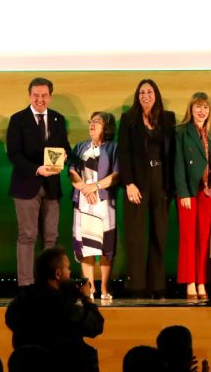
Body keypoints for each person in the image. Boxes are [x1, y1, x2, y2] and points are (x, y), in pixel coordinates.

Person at [7, 77, 70, 287]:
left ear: (50, 97)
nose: (39, 99)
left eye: (44, 95)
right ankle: (26, 285)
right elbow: (14, 154)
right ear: (29, 96)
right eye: (35, 95)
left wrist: (65, 156)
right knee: (27, 236)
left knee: (51, 238)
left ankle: (49, 284)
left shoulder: (58, 119)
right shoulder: (17, 119)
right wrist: (36, 169)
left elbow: (65, 147)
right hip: (26, 186)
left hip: (52, 186)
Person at [117, 78, 177, 296]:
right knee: (136, 235)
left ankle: (157, 284)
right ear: (137, 96)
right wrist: (128, 183)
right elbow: (123, 153)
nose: (145, 96)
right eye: (142, 92)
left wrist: (172, 186)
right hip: (137, 183)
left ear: (156, 95)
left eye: (149, 92)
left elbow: (173, 152)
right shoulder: (128, 119)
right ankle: (136, 285)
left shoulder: (168, 118)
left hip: (161, 180)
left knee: (159, 233)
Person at [4, 246, 104, 372]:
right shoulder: (62, 307)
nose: (70, 273)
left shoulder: (20, 302)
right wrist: (86, 297)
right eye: (67, 268)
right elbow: (96, 326)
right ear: (57, 274)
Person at [173, 92, 211, 300]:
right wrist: (183, 192)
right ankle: (190, 281)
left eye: (205, 107)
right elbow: (178, 164)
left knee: (204, 238)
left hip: (208, 190)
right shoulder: (181, 131)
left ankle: (202, 281)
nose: (202, 111)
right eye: (198, 107)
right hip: (189, 191)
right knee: (188, 237)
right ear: (191, 109)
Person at [68, 111, 118, 300]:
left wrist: (94, 187)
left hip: (104, 201)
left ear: (107, 127)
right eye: (91, 121)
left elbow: (117, 174)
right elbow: (72, 171)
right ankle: (89, 288)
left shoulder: (114, 148)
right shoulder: (80, 146)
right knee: (85, 246)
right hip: (83, 200)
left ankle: (104, 287)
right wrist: (84, 188)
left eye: (97, 122)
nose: (92, 124)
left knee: (106, 245)